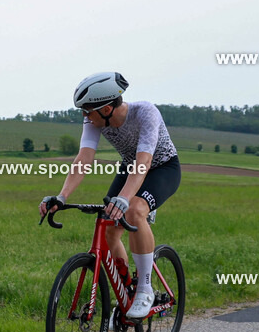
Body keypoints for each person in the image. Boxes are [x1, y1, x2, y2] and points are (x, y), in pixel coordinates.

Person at [39, 72, 181, 318]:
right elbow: (84, 159)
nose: (85, 116)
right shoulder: (94, 121)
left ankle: (145, 288)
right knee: (109, 228)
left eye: (88, 111)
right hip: (130, 166)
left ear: (106, 108)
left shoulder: (145, 113)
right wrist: (61, 197)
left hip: (161, 168)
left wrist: (125, 199)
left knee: (135, 210)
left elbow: (143, 162)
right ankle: (127, 292)